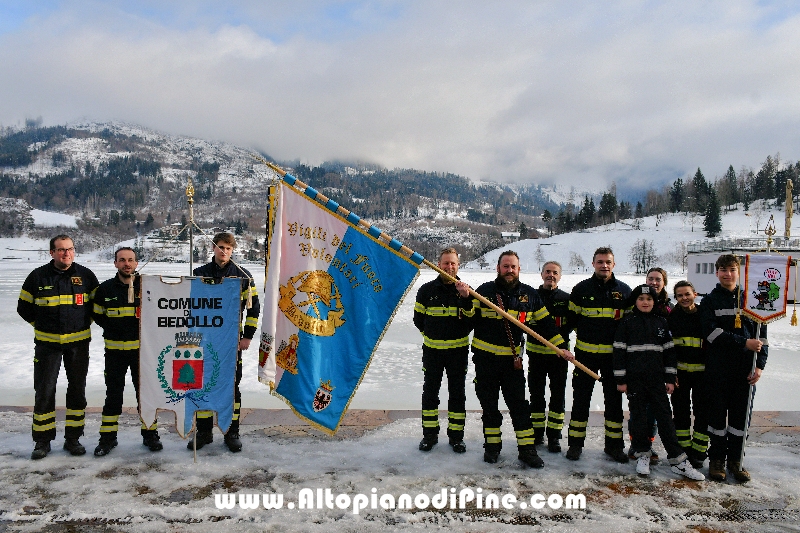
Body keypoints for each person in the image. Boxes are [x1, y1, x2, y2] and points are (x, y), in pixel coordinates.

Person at [463, 251, 572, 468]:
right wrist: (466, 300)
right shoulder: (484, 292)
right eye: (506, 266)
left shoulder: (530, 296)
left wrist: (561, 347)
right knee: (490, 407)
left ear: (519, 269)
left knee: (520, 408)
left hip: (512, 364)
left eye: (513, 267)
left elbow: (546, 325)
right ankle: (492, 448)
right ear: (498, 268)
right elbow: (467, 321)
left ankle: (527, 450)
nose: (509, 270)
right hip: (485, 362)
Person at [17, 234, 99, 460]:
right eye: (61, 250)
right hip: (47, 346)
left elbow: (96, 307)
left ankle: (73, 439)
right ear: (52, 253)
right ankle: (42, 441)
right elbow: (24, 308)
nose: (67, 253)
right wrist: (43, 326)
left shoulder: (86, 276)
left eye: (70, 249)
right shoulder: (37, 277)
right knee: (44, 391)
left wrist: (80, 325)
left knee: (77, 391)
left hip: (78, 345)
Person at [613, 284, 705, 480]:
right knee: (638, 417)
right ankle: (642, 454)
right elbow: (619, 352)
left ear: (655, 302)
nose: (645, 302)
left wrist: (670, 378)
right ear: (635, 302)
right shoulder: (627, 323)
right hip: (635, 381)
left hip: (656, 380)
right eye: (641, 299)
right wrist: (621, 379)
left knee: (664, 417)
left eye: (649, 299)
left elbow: (670, 353)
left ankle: (678, 460)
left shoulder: (662, 323)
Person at [190, 232, 260, 452]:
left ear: (233, 250)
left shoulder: (243, 276)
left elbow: (253, 309)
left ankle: (232, 432)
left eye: (228, 248)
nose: (224, 251)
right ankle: (203, 432)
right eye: (220, 247)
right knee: (202, 386)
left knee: (232, 389)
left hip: (231, 344)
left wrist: (247, 335)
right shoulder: (199, 274)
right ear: (213, 248)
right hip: (204, 342)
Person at [700, 254, 767, 483]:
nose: (728, 274)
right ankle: (717, 460)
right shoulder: (710, 301)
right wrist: (742, 342)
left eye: (732, 269)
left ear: (738, 272)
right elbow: (711, 333)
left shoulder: (753, 299)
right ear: (717, 272)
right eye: (723, 270)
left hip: (745, 371)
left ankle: (736, 461)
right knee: (717, 418)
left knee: (740, 419)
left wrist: (760, 366)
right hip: (718, 369)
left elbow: (763, 337)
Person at [92, 247, 163, 456]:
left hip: (142, 355)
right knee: (113, 397)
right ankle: (107, 439)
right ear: (115, 263)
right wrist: (114, 329)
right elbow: (97, 315)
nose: (126, 264)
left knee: (146, 397)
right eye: (122, 260)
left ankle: (151, 436)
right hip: (114, 354)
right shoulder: (105, 290)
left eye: (130, 260)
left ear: (136, 263)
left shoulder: (149, 288)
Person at [565, 247, 631, 462]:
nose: (604, 265)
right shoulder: (581, 289)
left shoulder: (625, 292)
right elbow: (570, 321)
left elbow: (631, 325)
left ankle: (614, 446)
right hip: (585, 357)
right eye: (600, 261)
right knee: (580, 402)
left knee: (614, 404)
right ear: (593, 264)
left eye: (608, 262)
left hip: (614, 359)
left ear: (614, 264)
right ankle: (575, 445)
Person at [413, 247, 473, 453]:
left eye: (453, 263)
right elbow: (418, 320)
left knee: (457, 394)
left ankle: (456, 437)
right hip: (433, 352)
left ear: (458, 266)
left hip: (458, 353)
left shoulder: (467, 290)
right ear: (438, 265)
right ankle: (429, 435)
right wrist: (432, 336)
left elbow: (472, 321)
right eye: (446, 263)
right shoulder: (426, 291)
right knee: (430, 393)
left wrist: (466, 298)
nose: (449, 266)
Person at [525, 261, 572, 453]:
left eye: (555, 273)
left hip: (559, 357)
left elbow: (571, 325)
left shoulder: (567, 299)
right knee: (536, 396)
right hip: (535, 355)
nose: (550, 275)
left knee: (557, 396)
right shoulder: (531, 298)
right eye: (547, 272)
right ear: (541, 274)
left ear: (559, 276)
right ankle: (537, 433)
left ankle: (554, 436)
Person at [626, 267, 672, 461]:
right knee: (638, 410)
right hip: (638, 368)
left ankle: (649, 444)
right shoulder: (636, 303)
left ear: (664, 283)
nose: (654, 282)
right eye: (650, 279)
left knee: (655, 411)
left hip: (659, 367)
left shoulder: (668, 309)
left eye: (658, 279)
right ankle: (637, 445)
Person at [668, 280, 708, 469]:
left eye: (687, 294)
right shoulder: (672, 317)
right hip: (680, 375)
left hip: (703, 374)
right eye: (680, 295)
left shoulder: (705, 315)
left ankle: (699, 452)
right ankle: (684, 449)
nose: (684, 298)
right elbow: (668, 349)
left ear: (695, 294)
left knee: (703, 413)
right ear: (675, 298)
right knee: (681, 413)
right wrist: (671, 372)